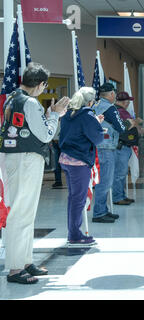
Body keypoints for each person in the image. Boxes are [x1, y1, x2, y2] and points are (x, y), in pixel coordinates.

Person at [0, 62, 69, 284]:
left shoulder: (12, 97)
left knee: (25, 213)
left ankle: (25, 260)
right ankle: (15, 268)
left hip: (14, 156)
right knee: (21, 213)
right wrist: (55, 115)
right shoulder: (30, 103)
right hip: (27, 159)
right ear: (41, 85)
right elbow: (46, 135)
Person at [59, 87, 104, 246]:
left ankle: (73, 231)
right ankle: (75, 234)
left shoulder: (67, 114)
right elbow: (97, 138)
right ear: (90, 102)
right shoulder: (87, 115)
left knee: (73, 198)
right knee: (78, 199)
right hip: (79, 161)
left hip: (66, 159)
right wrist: (97, 124)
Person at [92, 83, 135, 223]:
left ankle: (103, 210)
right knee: (105, 181)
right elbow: (121, 127)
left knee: (103, 180)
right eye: (114, 94)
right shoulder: (110, 108)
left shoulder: (94, 105)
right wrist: (130, 123)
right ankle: (99, 213)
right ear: (111, 94)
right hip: (107, 147)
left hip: (97, 146)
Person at [112, 91, 143, 205]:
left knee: (122, 173)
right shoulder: (120, 112)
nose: (129, 103)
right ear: (125, 102)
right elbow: (126, 126)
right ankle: (117, 198)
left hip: (124, 146)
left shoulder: (119, 111)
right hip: (121, 147)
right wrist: (137, 122)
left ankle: (121, 195)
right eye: (128, 101)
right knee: (120, 173)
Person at [52, 119, 63, 189]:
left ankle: (69, 180)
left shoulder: (65, 117)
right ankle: (58, 181)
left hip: (63, 142)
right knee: (56, 164)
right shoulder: (53, 116)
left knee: (66, 163)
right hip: (54, 142)